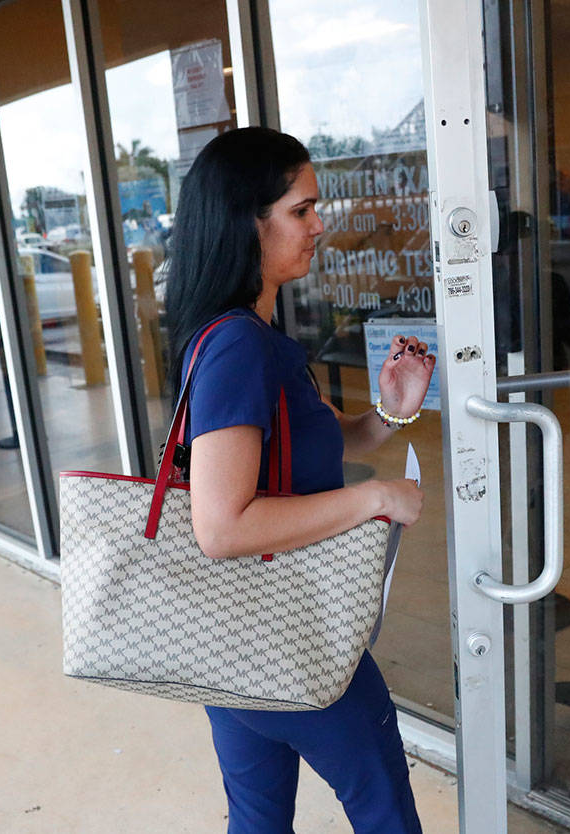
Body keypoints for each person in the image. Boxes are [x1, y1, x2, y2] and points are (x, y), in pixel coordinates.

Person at [161, 126, 433, 834]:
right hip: (295, 634)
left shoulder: (249, 335)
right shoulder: (237, 347)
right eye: (301, 210)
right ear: (247, 221)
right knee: (387, 816)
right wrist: (375, 496)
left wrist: (386, 416)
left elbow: (299, 452)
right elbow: (222, 526)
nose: (319, 225)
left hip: (236, 640)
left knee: (257, 823)